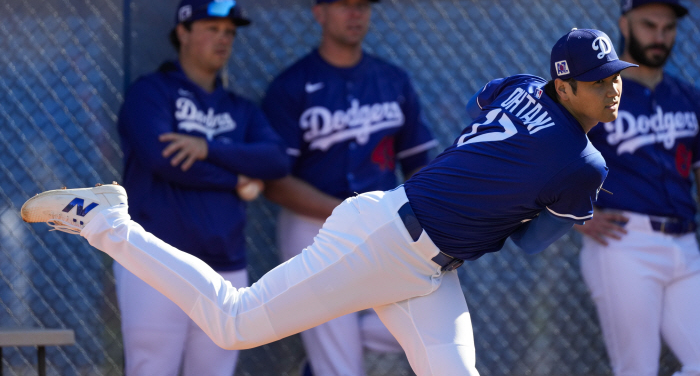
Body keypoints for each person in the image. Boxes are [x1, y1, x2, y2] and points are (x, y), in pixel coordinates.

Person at [22, 27, 635, 376]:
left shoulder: (526, 87)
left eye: (616, 75)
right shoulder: (582, 164)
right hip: (384, 242)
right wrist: (521, 190)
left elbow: (488, 95)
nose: (614, 88)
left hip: (423, 262)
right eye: (601, 79)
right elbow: (530, 243)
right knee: (232, 323)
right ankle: (105, 220)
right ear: (564, 84)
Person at [261, 0, 437, 376]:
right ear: (319, 13)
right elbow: (275, 181)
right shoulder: (292, 86)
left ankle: (322, 354)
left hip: (385, 225)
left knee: (424, 324)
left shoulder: (393, 80)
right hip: (312, 228)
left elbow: (419, 166)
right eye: (344, 6)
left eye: (361, 6)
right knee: (341, 367)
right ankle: (327, 356)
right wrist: (343, 210)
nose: (355, 14)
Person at [113, 0, 290, 376]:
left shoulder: (240, 109)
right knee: (150, 369)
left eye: (229, 32)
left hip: (224, 264)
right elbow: (164, 161)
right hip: (154, 258)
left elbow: (277, 160)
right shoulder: (150, 93)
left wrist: (207, 148)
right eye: (212, 28)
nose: (223, 39)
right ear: (183, 31)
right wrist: (237, 178)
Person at [575, 0, 700, 376]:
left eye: (668, 28)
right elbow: (544, 160)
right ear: (624, 25)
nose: (659, 36)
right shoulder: (598, 94)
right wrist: (577, 215)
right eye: (649, 25)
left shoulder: (688, 96)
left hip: (687, 245)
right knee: (637, 371)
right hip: (624, 244)